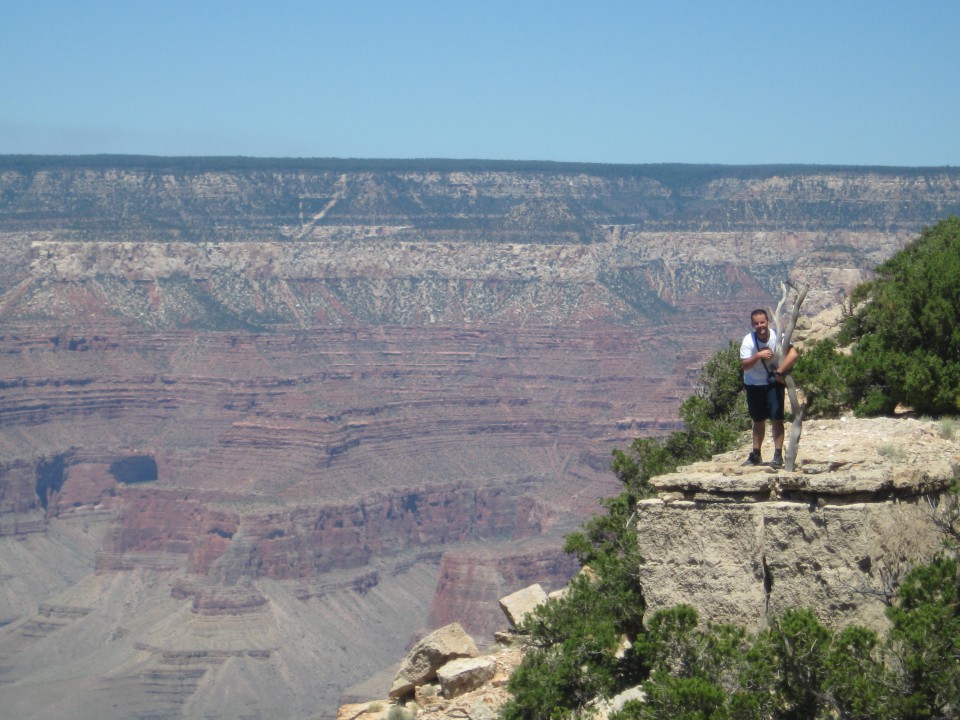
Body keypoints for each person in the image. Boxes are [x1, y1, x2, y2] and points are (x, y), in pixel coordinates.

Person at [740, 309, 799, 468]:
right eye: (756, 323)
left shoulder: (777, 337)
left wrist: (779, 372)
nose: (760, 326)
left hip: (773, 383)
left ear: (768, 322)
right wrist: (758, 356)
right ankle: (756, 454)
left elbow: (793, 354)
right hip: (753, 384)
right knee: (758, 420)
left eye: (762, 322)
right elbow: (745, 365)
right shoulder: (748, 341)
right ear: (753, 325)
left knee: (776, 419)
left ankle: (778, 455)